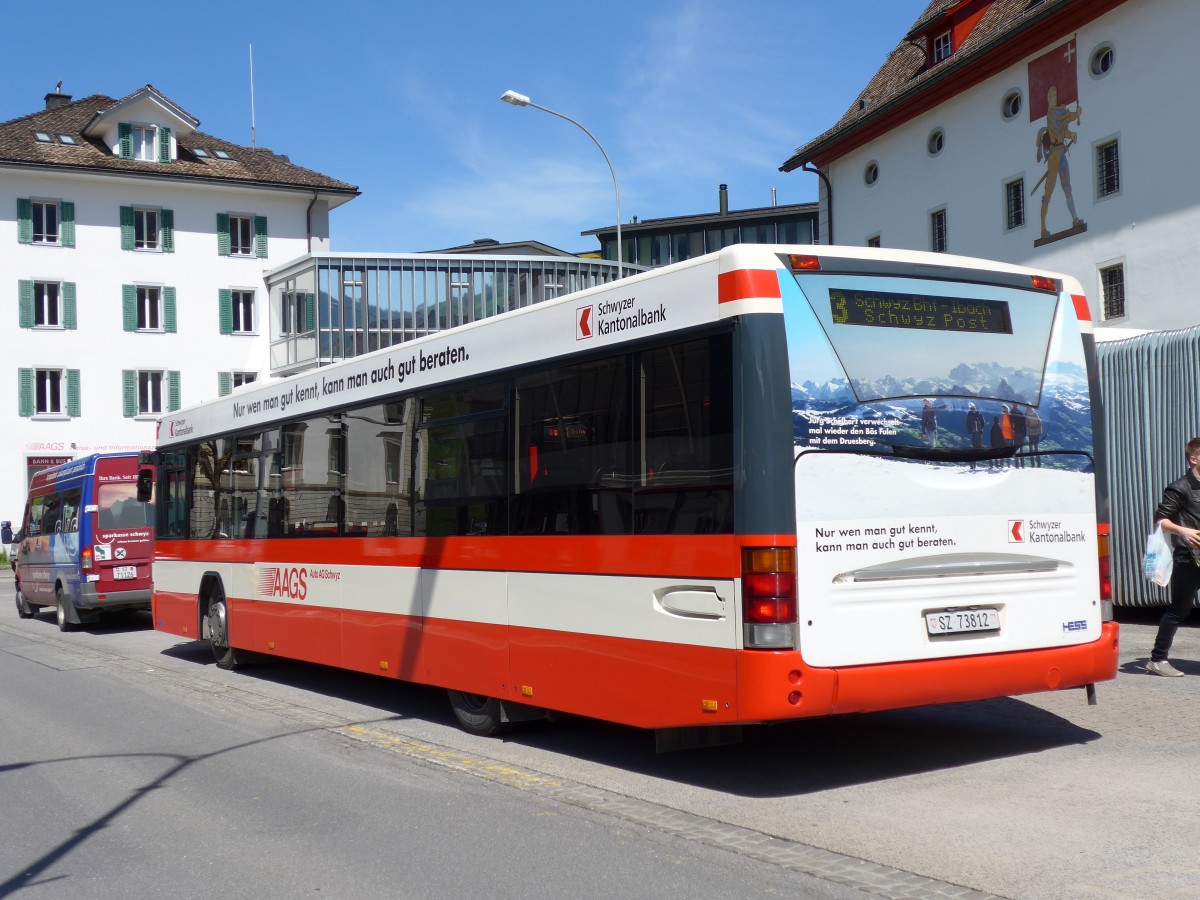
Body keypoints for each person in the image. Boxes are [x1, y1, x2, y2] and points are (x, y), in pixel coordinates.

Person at [1147, 437, 1200, 676]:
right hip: (1188, 558)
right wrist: (1182, 530)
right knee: (1180, 609)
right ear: (1193, 459)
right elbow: (1161, 520)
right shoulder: (1180, 487)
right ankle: (1157, 660)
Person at [1035, 84, 1084, 239]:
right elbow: (1063, 118)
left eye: (1056, 94)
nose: (1055, 97)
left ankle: (1075, 218)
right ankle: (1043, 228)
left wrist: (1071, 135)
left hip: (1062, 152)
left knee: (1067, 187)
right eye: (1052, 95)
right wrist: (1076, 114)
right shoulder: (1052, 113)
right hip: (1055, 156)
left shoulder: (1058, 112)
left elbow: (1062, 131)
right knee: (1048, 192)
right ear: (1048, 98)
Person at [965, 402, 985, 470]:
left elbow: (983, 422)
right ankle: (972, 464)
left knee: (978, 448)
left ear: (975, 407)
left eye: (973, 408)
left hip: (978, 433)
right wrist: (970, 431)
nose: (972, 409)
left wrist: (981, 429)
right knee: (974, 448)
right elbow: (968, 424)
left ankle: (974, 463)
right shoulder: (969, 414)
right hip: (974, 433)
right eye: (971, 408)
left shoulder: (979, 413)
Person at [1012, 402, 1028, 468]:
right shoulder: (1021, 413)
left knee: (1016, 449)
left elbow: (1011, 424)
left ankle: (1017, 465)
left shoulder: (1011, 412)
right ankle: (1022, 465)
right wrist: (1025, 433)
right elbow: (1024, 424)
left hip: (1016, 433)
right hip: (1021, 433)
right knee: (1021, 449)